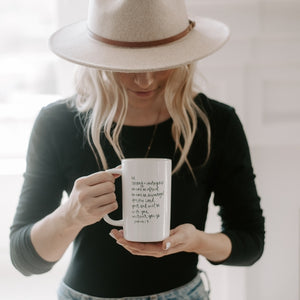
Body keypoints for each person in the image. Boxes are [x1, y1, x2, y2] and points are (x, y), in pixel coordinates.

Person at [10, 0, 265, 299]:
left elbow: (250, 243)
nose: (145, 79)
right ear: (99, 57)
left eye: (160, 62)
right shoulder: (57, 123)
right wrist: (71, 216)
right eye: (128, 64)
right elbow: (25, 258)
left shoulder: (216, 124)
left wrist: (195, 241)